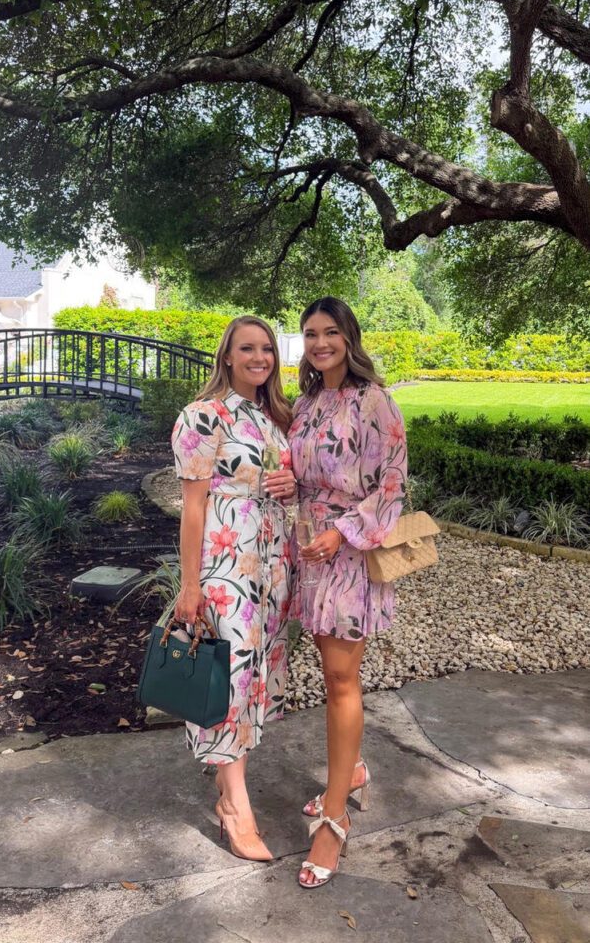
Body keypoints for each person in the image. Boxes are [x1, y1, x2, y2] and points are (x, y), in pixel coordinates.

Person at [288, 297, 407, 889]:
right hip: (310, 552)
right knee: (328, 673)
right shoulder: (306, 403)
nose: (319, 343)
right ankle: (352, 770)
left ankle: (334, 820)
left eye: (330, 332)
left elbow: (392, 486)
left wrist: (341, 532)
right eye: (310, 334)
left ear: (349, 338)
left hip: (351, 553)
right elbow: (298, 471)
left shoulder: (374, 400)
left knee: (340, 681)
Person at [171, 316, 296, 862]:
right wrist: (190, 585)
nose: (259, 357)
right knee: (232, 678)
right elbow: (193, 509)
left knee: (251, 679)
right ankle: (236, 808)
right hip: (229, 565)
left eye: (266, 348)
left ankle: (226, 786)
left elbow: (287, 488)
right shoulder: (204, 416)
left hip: (271, 568)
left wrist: (291, 482)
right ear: (226, 356)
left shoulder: (273, 419)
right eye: (247, 348)